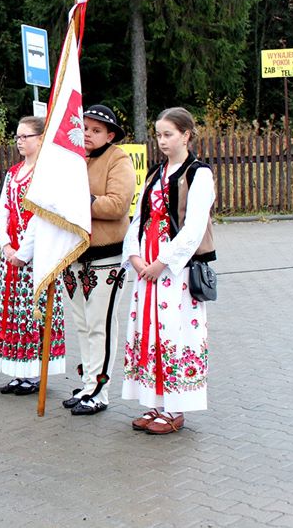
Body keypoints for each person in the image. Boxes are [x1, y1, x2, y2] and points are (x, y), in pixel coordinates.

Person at [123, 107, 215, 434]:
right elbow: (139, 217)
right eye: (158, 135)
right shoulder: (155, 173)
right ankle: (154, 401)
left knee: (174, 331)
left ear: (186, 135)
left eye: (168, 134)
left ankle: (176, 408)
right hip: (147, 263)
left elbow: (194, 227)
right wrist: (135, 256)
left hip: (176, 268)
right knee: (149, 330)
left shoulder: (198, 174)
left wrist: (162, 262)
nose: (162, 141)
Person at [58, 104, 135, 415]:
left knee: (100, 324)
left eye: (96, 130)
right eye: (85, 128)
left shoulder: (118, 159)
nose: (88, 134)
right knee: (83, 324)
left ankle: (99, 391)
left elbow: (118, 205)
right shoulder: (73, 160)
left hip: (106, 256)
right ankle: (89, 383)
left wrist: (78, 201)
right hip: (74, 255)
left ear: (110, 135)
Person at [0, 116, 65, 395]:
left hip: (36, 256)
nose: (20, 141)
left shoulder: (46, 174)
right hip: (12, 255)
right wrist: (5, 245)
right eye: (18, 136)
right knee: (13, 312)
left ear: (41, 139)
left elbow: (41, 215)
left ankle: (34, 373)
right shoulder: (13, 173)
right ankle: (18, 370)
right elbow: (3, 210)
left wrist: (24, 252)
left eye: (26, 136)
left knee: (33, 312)